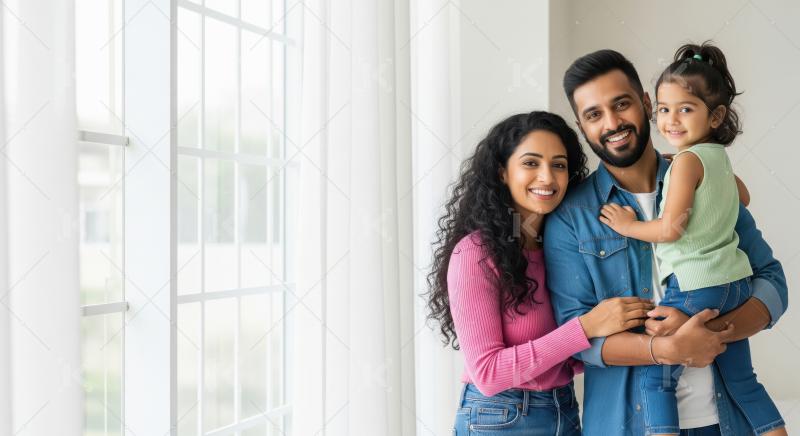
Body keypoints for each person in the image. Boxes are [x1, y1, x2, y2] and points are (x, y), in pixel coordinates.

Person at [545, 48, 788, 436]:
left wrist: (709, 331)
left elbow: (772, 283)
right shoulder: (571, 218)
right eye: (594, 115)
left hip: (728, 422)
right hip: (627, 425)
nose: (611, 123)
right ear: (582, 126)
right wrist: (666, 349)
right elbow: (574, 340)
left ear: (646, 104)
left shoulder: (701, 179)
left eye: (621, 104)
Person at [426, 111, 655, 435]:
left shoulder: (559, 247)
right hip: (499, 416)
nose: (547, 177)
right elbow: (488, 373)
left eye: (558, 165)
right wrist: (588, 325)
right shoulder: (475, 253)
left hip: (564, 410)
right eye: (531, 163)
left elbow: (569, 355)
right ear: (502, 172)